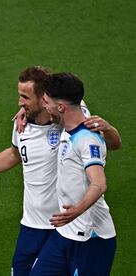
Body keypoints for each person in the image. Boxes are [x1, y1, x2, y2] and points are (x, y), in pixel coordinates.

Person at [0, 66, 121, 275]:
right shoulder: (22, 125)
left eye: (25, 97)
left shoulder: (73, 123)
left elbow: (68, 93)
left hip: (69, 226)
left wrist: (109, 129)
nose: (19, 103)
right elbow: (14, 155)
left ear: (45, 99)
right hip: (33, 224)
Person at [29, 73, 116, 275]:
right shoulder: (70, 119)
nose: (44, 105)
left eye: (46, 102)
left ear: (61, 107)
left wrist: (76, 211)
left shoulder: (86, 138)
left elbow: (99, 184)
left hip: (92, 238)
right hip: (64, 234)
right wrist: (25, 111)